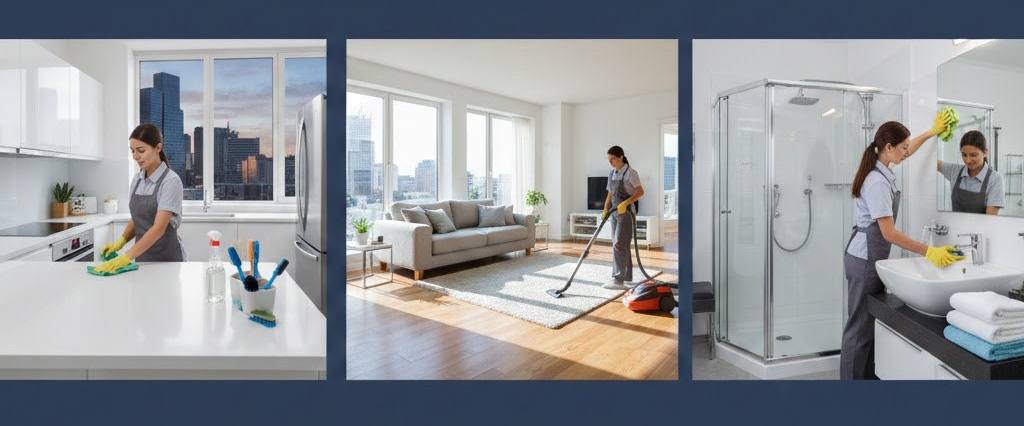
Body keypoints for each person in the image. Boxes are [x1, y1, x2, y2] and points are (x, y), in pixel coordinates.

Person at [842, 116, 965, 380]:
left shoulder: (882, 166)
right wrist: (929, 251)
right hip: (864, 259)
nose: (907, 151)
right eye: (903, 147)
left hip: (867, 256)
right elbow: (889, 233)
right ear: (889, 148)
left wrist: (931, 132)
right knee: (858, 327)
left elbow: (909, 150)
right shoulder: (876, 181)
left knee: (866, 325)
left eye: (908, 146)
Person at [93, 123, 186, 273]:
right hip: (142, 259)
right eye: (132, 151)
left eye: (141, 151)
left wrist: (125, 257)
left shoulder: (170, 181)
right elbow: (138, 218)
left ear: (158, 148)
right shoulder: (137, 179)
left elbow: (158, 229)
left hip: (168, 262)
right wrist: (120, 242)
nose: (135, 156)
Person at [601, 145, 645, 289]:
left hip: (626, 214)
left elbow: (640, 192)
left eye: (613, 159)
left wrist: (625, 203)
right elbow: (610, 193)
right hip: (614, 212)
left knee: (619, 243)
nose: (611, 162)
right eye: (609, 159)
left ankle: (618, 280)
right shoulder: (612, 173)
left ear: (621, 157)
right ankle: (626, 277)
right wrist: (605, 208)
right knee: (620, 244)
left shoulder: (631, 173)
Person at [935, 130, 1004, 215]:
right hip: (955, 226)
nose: (968, 160)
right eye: (964, 155)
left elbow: (990, 219)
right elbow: (933, 162)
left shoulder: (995, 179)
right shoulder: (955, 171)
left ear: (985, 152)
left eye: (973, 155)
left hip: (981, 228)